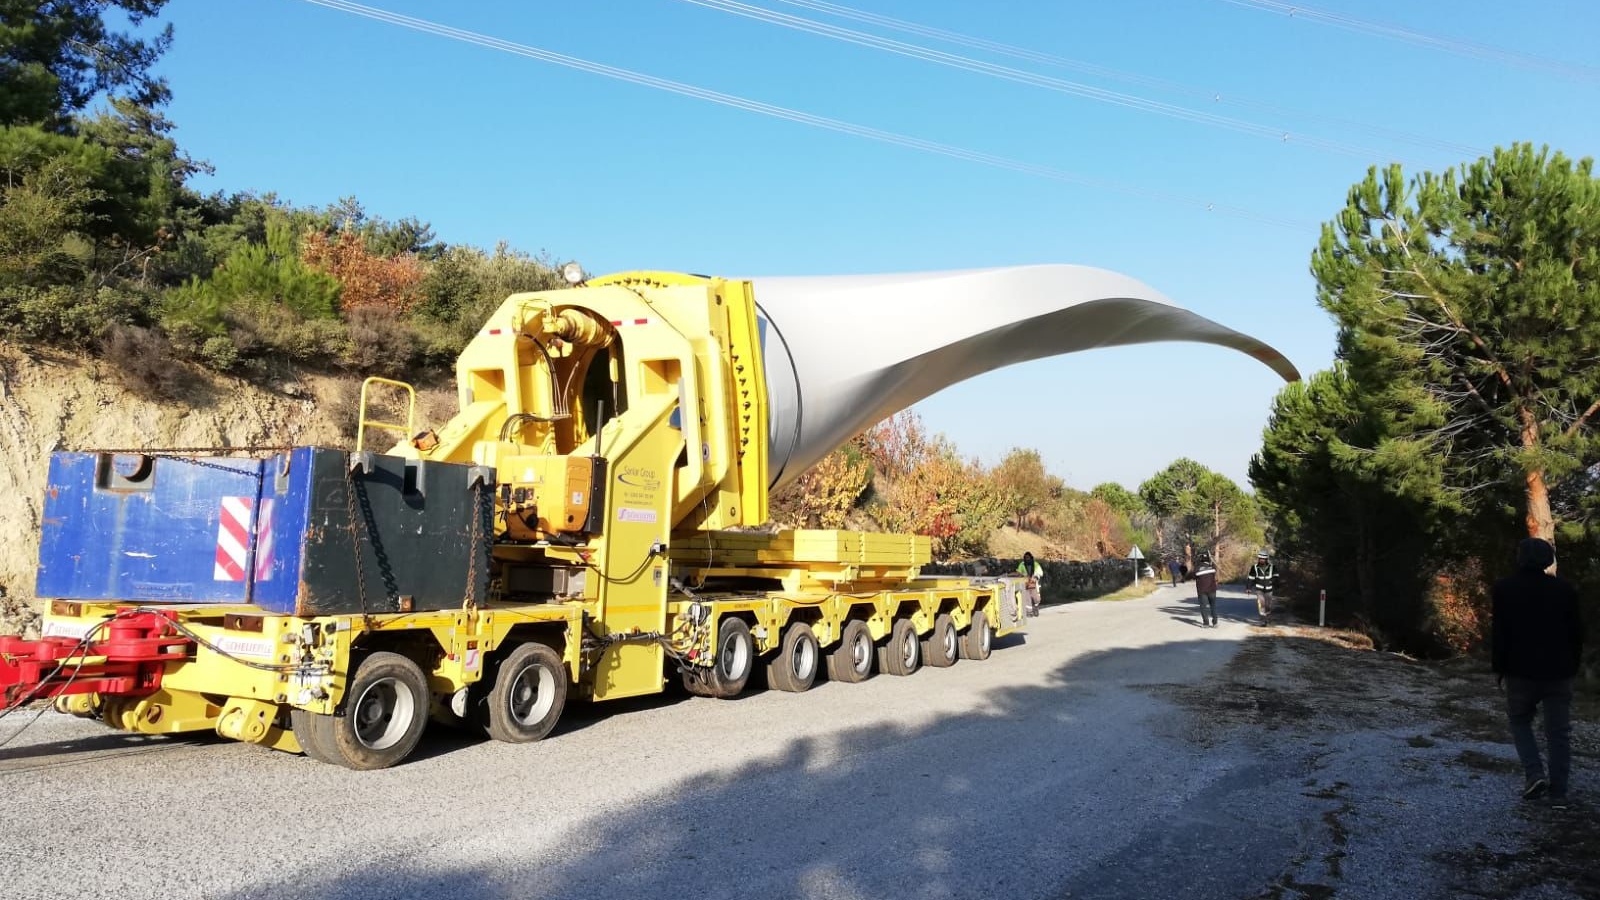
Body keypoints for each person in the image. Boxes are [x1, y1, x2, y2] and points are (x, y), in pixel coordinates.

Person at [1491, 537, 1584, 809]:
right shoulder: (1565, 590)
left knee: (1520, 722)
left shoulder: (1505, 589)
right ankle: (1559, 791)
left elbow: (1500, 633)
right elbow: (1577, 634)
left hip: (1520, 671)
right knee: (1559, 732)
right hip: (1559, 672)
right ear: (1548, 559)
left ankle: (1534, 774)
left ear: (1520, 558)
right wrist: (1573, 666)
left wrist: (1499, 668)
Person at [1249, 551, 1277, 623]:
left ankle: (1268, 617)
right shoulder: (1254, 567)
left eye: (1263, 559)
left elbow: (1276, 577)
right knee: (1261, 603)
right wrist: (1248, 588)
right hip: (1259, 589)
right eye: (1260, 558)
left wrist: (1273, 582)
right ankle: (1263, 618)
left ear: (1266, 559)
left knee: (1268, 605)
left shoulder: (1272, 567)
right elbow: (1251, 578)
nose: (1261, 560)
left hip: (1269, 589)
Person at [1193, 552, 1218, 628]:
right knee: (1213, 606)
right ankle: (1215, 622)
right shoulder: (1212, 567)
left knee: (1203, 607)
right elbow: (1214, 569)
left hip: (1202, 590)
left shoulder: (1197, 567)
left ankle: (1206, 623)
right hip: (1212, 589)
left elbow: (1193, 575)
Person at [1017, 552, 1044, 617]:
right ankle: (1029, 612)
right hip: (1025, 584)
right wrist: (1022, 576)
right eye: (1026, 558)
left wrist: (1035, 577)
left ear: (1031, 557)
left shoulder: (1035, 564)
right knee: (1027, 598)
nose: (1027, 559)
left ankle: (1036, 607)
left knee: (1036, 598)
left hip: (1034, 583)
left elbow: (1040, 572)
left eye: (1028, 557)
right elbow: (1019, 573)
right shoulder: (1022, 564)